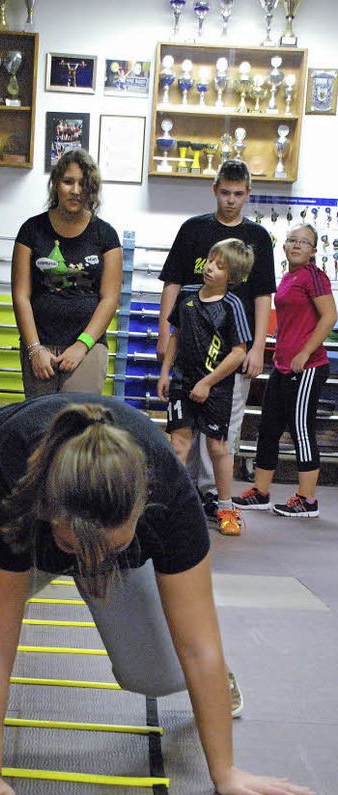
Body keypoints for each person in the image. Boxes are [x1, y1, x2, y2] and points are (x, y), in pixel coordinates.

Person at [0, 396, 314, 795]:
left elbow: (198, 647)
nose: (91, 563)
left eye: (110, 547)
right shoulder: (14, 487)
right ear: (49, 518)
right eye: (73, 548)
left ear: (141, 511)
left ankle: (102, 555)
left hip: (90, 522)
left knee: (160, 674)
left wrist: (224, 771)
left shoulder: (169, 498)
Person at [157, 160, 276, 518]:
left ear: (248, 195)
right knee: (184, 430)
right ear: (215, 190)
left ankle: (212, 494)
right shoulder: (193, 230)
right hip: (188, 344)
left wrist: (257, 346)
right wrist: (165, 332)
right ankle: (185, 491)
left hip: (230, 352)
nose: (230, 200)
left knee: (221, 429)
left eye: (238, 194)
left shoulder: (257, 239)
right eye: (225, 192)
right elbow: (173, 283)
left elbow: (262, 297)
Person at [233, 224, 337, 517]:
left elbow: (330, 316)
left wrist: (304, 352)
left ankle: (307, 499)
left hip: (308, 367)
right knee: (268, 428)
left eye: (303, 242)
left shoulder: (314, 277)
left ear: (314, 250)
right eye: (292, 240)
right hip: (283, 365)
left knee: (301, 430)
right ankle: (261, 491)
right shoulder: (291, 277)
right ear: (284, 246)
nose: (296, 245)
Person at [158, 238, 254, 537]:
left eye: (220, 266)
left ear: (233, 276)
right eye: (210, 261)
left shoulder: (232, 305)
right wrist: (165, 373)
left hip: (217, 390)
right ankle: (170, 508)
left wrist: (207, 382)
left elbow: (239, 352)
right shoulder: (186, 295)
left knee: (217, 447)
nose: (210, 268)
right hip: (182, 384)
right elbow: (175, 335)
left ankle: (226, 507)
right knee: (178, 445)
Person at [11, 149, 122, 398]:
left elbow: (110, 299)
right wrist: (34, 348)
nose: (75, 190)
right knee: (41, 428)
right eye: (68, 181)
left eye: (83, 184)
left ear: (91, 189)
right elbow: (20, 296)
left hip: (87, 347)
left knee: (76, 429)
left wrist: (82, 345)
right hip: (39, 347)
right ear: (56, 184)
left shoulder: (106, 236)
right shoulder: (31, 230)